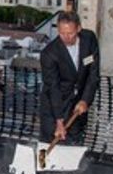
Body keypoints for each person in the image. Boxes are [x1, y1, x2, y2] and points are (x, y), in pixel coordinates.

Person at [38, 11, 100, 145]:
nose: (66, 37)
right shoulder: (49, 54)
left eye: (70, 33)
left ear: (78, 28)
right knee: (49, 147)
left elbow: (93, 73)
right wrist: (59, 121)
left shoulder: (89, 39)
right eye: (62, 33)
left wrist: (85, 100)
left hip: (77, 106)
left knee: (74, 145)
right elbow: (53, 88)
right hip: (54, 109)